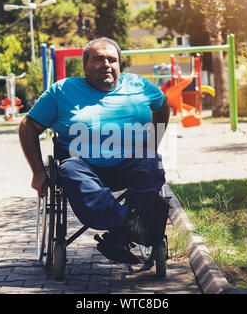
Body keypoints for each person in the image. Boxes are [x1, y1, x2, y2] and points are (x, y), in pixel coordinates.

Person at [19, 37, 170, 263]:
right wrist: (38, 171)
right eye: (98, 59)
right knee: (69, 170)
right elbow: (28, 126)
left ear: (119, 64)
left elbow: (163, 105)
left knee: (151, 161)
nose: (106, 64)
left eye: (112, 59)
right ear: (85, 66)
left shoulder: (138, 84)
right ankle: (130, 225)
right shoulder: (62, 91)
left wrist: (153, 142)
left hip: (130, 162)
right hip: (82, 167)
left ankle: (120, 234)